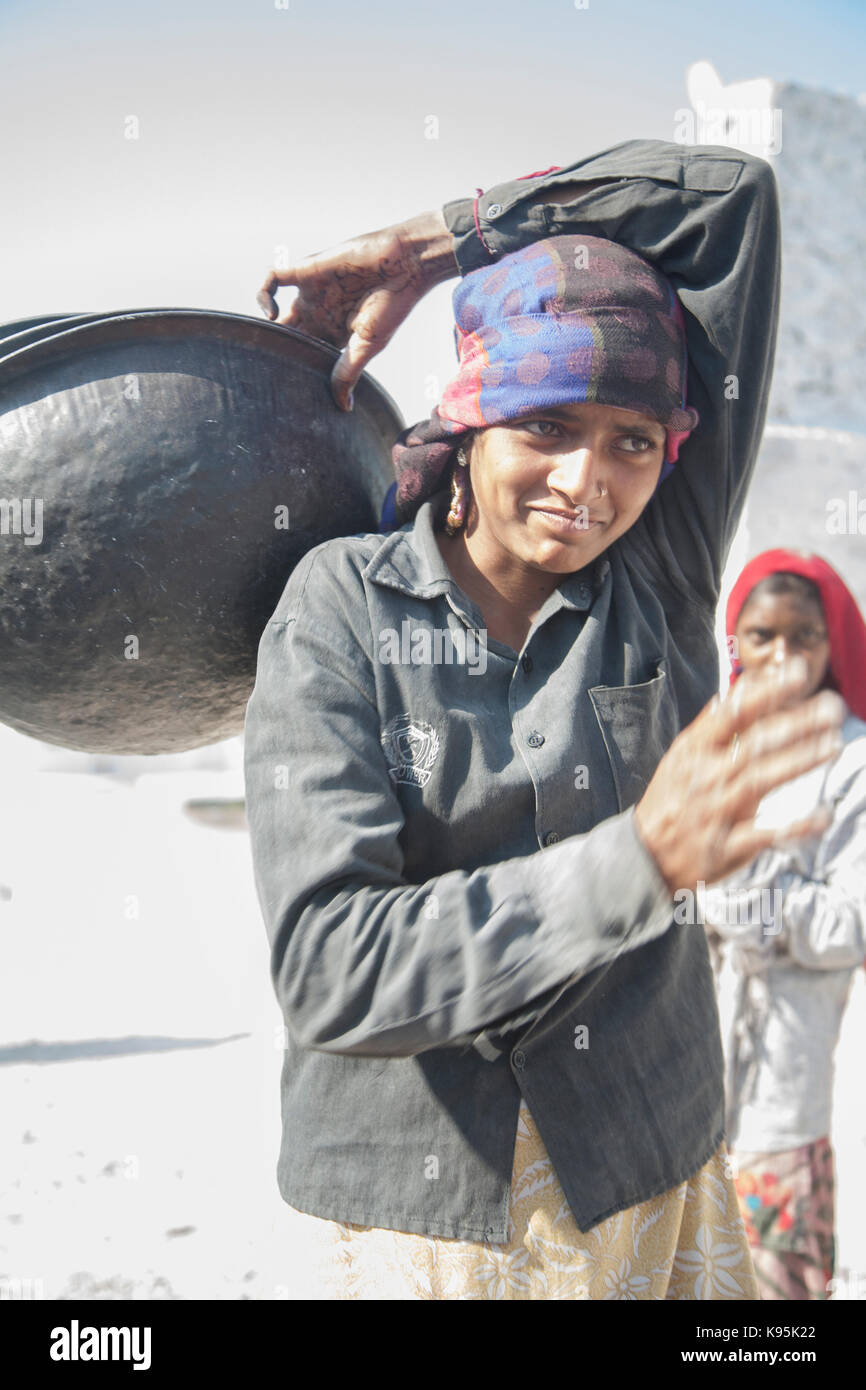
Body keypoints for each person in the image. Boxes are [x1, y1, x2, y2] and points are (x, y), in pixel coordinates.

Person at [243, 140, 845, 1300]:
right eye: (547, 425)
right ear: (470, 421)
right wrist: (637, 861)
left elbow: (731, 201)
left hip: (653, 1170)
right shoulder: (342, 607)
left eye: (631, 441)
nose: (586, 482)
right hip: (428, 1224)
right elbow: (330, 971)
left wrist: (435, 244)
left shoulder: (656, 575)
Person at [701, 550, 866, 1301]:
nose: (783, 655)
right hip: (687, 1082)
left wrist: (751, 885)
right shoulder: (713, 742)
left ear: (833, 644)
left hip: (783, 1089)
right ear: (736, 640)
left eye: (805, 636)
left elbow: (851, 924)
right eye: (762, 634)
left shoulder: (852, 760)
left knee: (777, 1316)